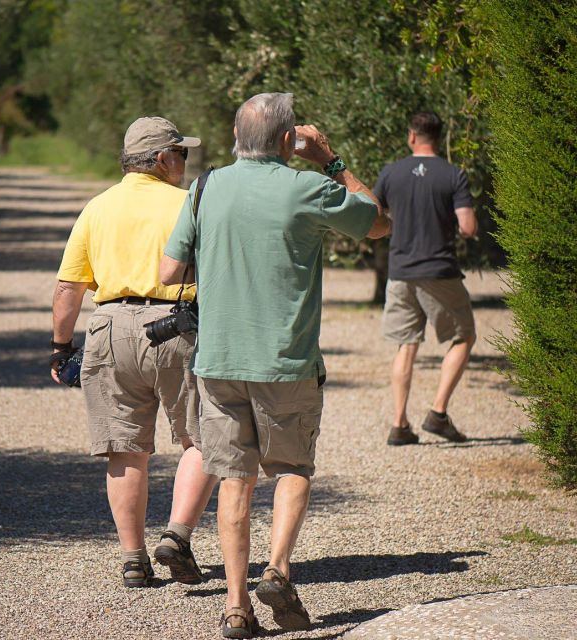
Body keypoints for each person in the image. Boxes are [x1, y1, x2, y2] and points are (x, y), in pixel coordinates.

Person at [160, 93, 390, 638]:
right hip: (286, 362)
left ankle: (236, 608)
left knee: (234, 480)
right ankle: (278, 569)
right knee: (291, 470)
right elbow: (378, 223)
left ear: (237, 136)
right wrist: (330, 160)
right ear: (289, 140)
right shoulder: (308, 187)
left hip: (218, 362)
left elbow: (170, 270)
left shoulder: (205, 187)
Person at [50, 116, 219, 589]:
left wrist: (61, 348)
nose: (185, 163)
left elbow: (68, 288)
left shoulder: (97, 207)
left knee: (124, 449)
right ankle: (177, 535)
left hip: (108, 326)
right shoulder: (190, 203)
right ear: (163, 159)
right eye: (182, 154)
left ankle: (133, 558)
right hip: (177, 325)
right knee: (202, 437)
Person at [372, 111, 478, 446]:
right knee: (464, 337)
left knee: (407, 344)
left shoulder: (392, 173)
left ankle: (399, 424)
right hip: (438, 271)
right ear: (436, 136)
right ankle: (437, 412)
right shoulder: (453, 175)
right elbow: (468, 227)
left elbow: (374, 215)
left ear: (412, 136)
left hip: (400, 271)